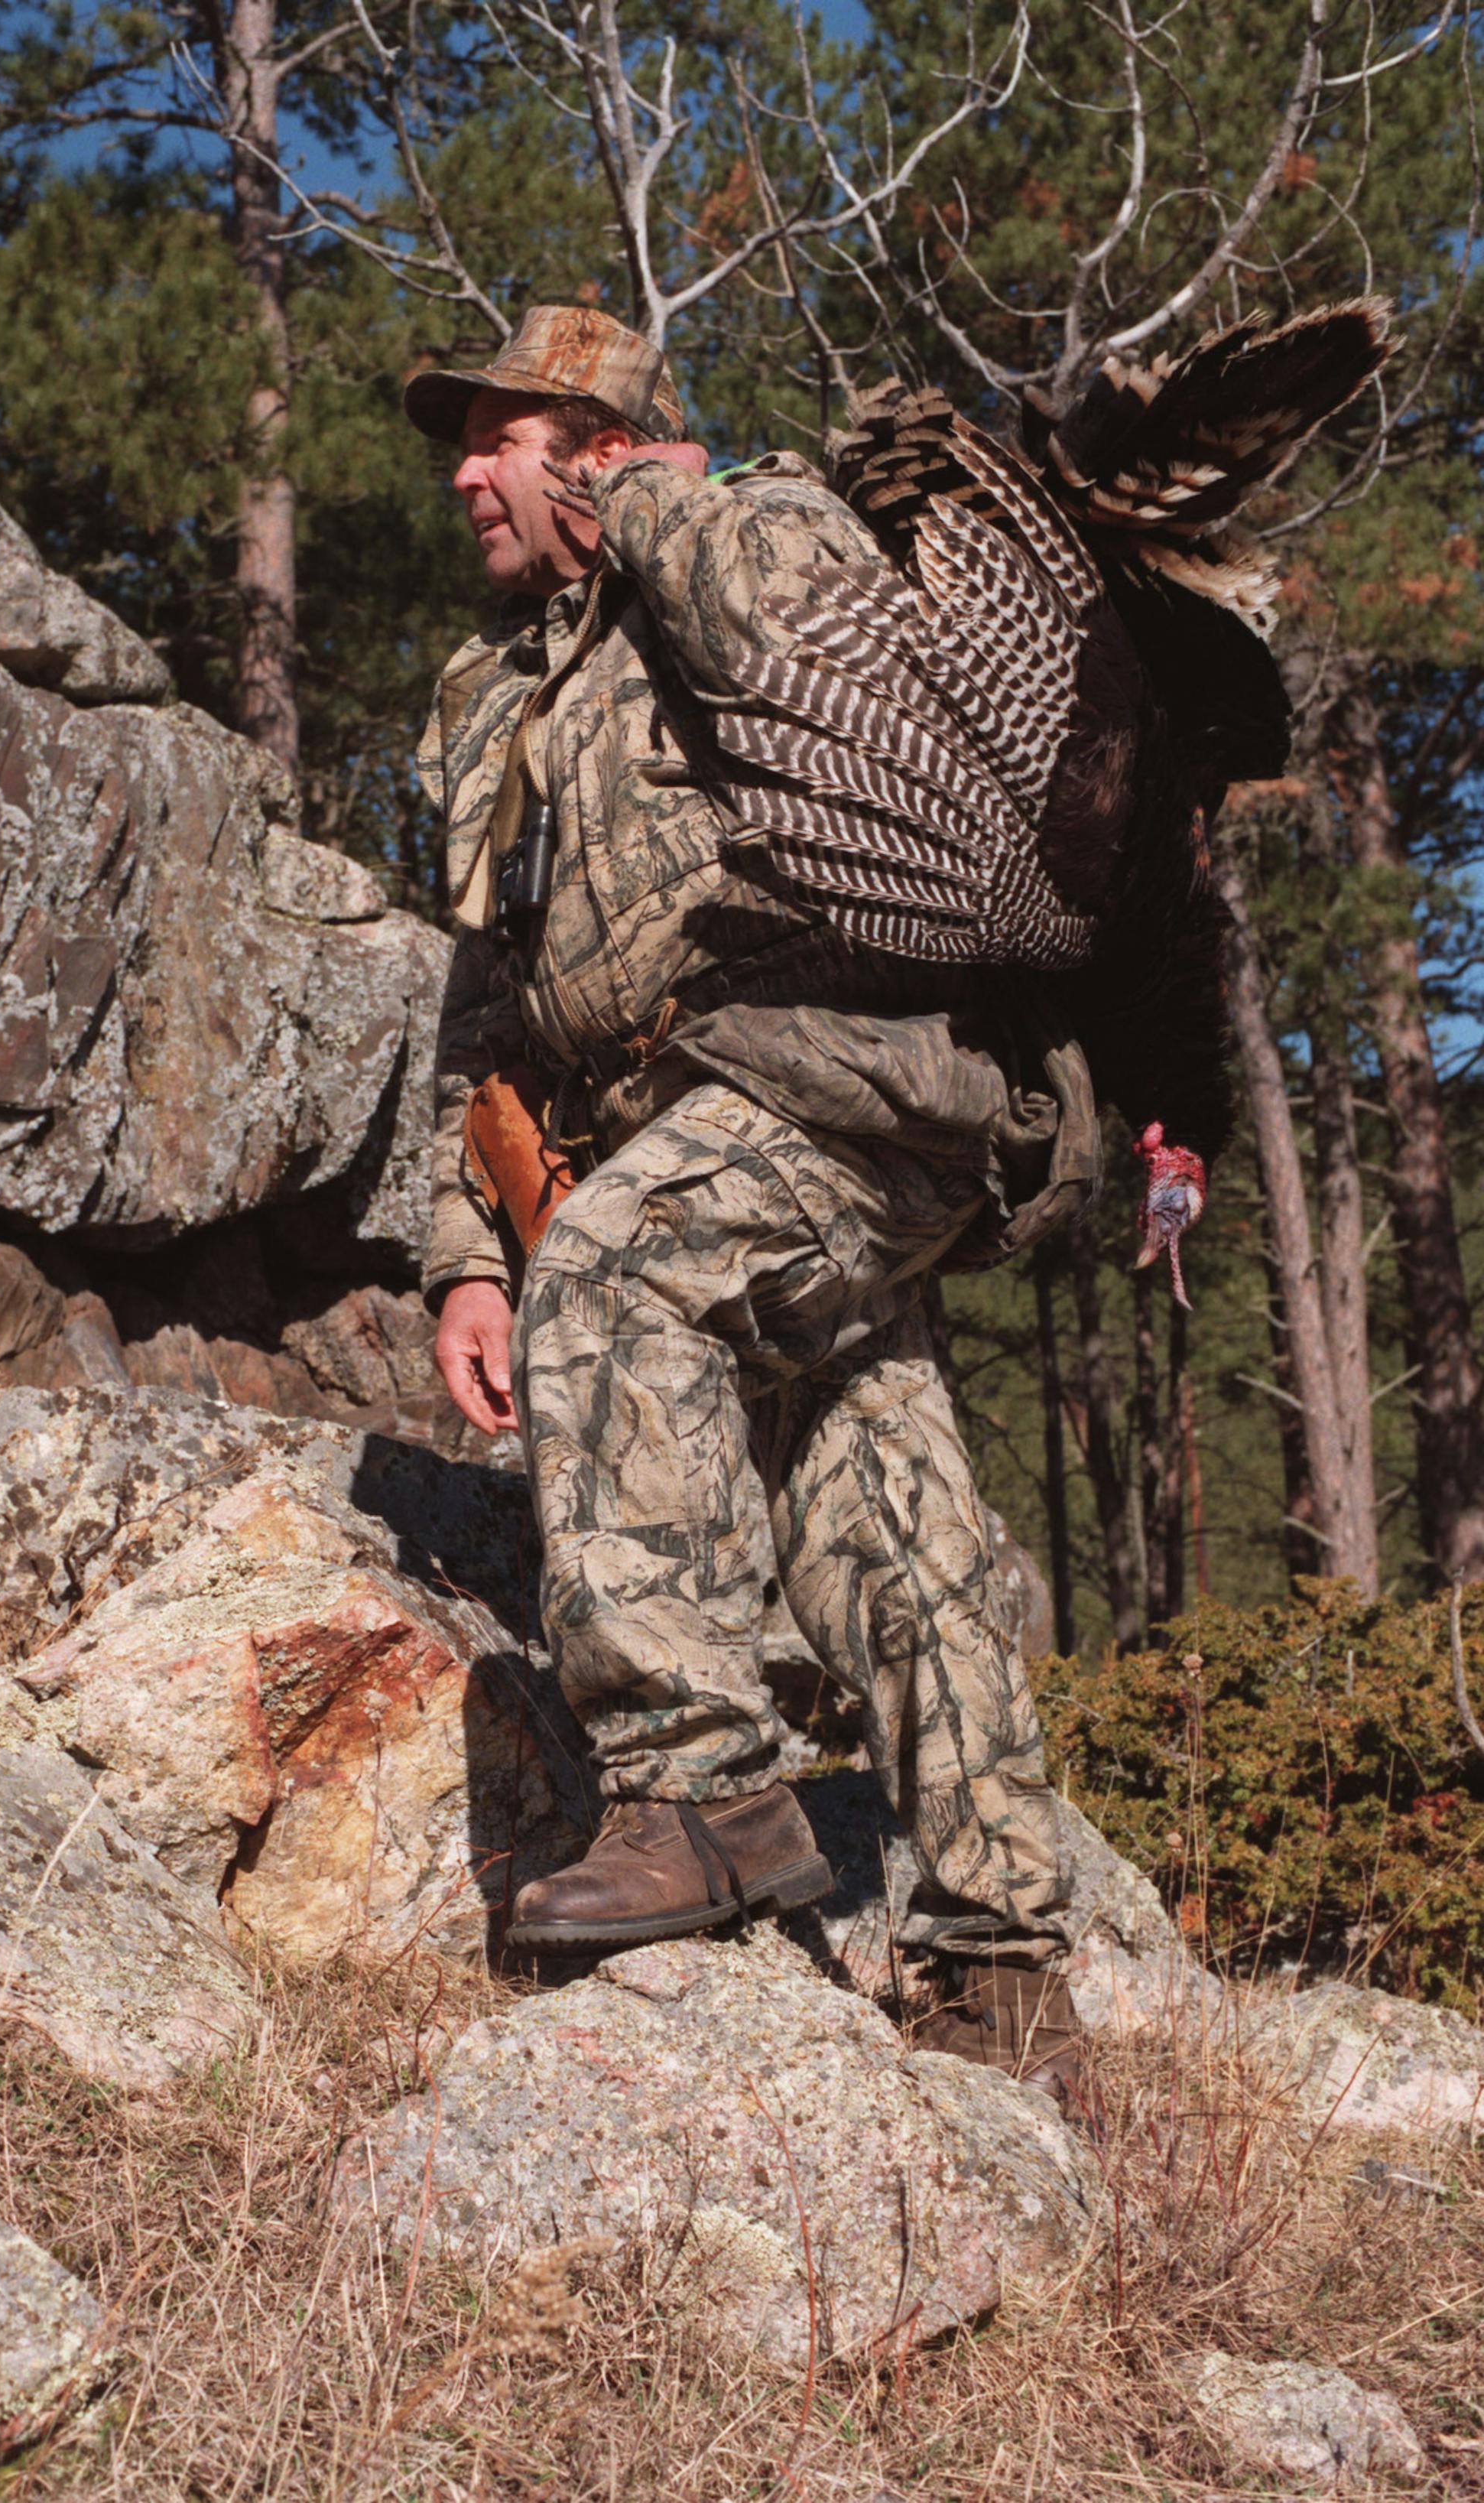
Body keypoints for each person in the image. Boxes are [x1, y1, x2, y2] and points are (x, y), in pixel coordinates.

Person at [404, 303, 1099, 2100]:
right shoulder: (498, 694)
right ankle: (1004, 1965)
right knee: (886, 1506)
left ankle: (700, 1789)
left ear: (599, 445)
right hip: (698, 1124)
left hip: (859, 1078)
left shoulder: (753, 526)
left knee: (616, 1277)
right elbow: (487, 1000)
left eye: (501, 438)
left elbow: (808, 641)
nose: (464, 475)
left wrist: (652, 505)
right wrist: (467, 1253)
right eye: (461, 444)